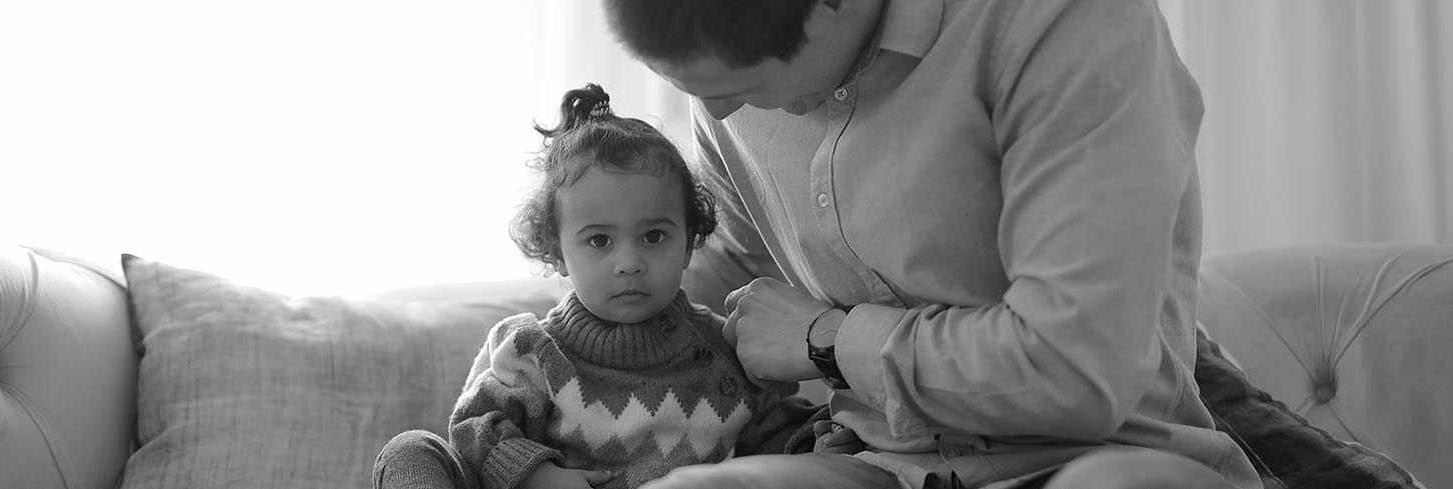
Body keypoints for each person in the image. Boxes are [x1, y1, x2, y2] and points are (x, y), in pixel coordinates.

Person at [599, 0, 1264, 488]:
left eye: (739, 88)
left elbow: (1074, 371)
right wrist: (572, 343)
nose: (717, 115)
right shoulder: (729, 69)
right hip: (875, 462)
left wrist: (827, 339)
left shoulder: (1064, 22)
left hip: (1101, 455)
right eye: (700, 92)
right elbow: (733, 267)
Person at [370, 83, 838, 489]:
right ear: (556, 252)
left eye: (654, 236)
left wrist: (819, 435)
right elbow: (474, 428)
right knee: (410, 451)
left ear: (690, 242)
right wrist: (533, 473)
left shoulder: (724, 351)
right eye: (599, 240)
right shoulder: (534, 351)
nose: (629, 263)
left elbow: (777, 433)